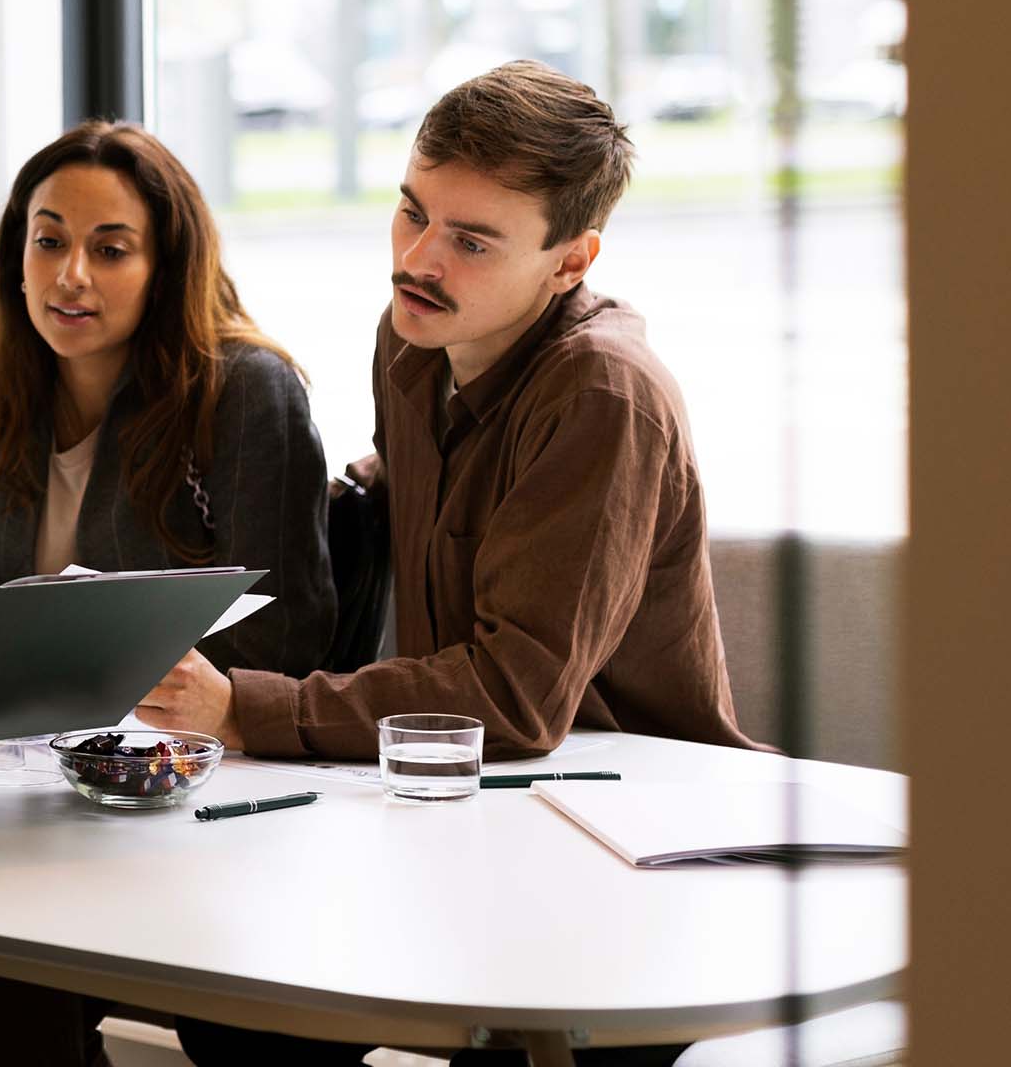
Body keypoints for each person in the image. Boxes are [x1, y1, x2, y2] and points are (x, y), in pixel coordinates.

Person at [139, 61, 763, 1065]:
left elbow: (513, 698)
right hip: (456, 811)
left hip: (625, 844)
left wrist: (242, 707)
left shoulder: (602, 395)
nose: (417, 259)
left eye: (471, 241)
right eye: (410, 212)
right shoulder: (414, 342)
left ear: (570, 261)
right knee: (224, 983)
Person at [0, 120, 333, 1066]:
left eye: (110, 249)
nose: (70, 274)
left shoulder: (244, 392)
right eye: (48, 240)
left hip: (192, 808)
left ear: (167, 267)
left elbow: (287, 637)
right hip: (9, 806)